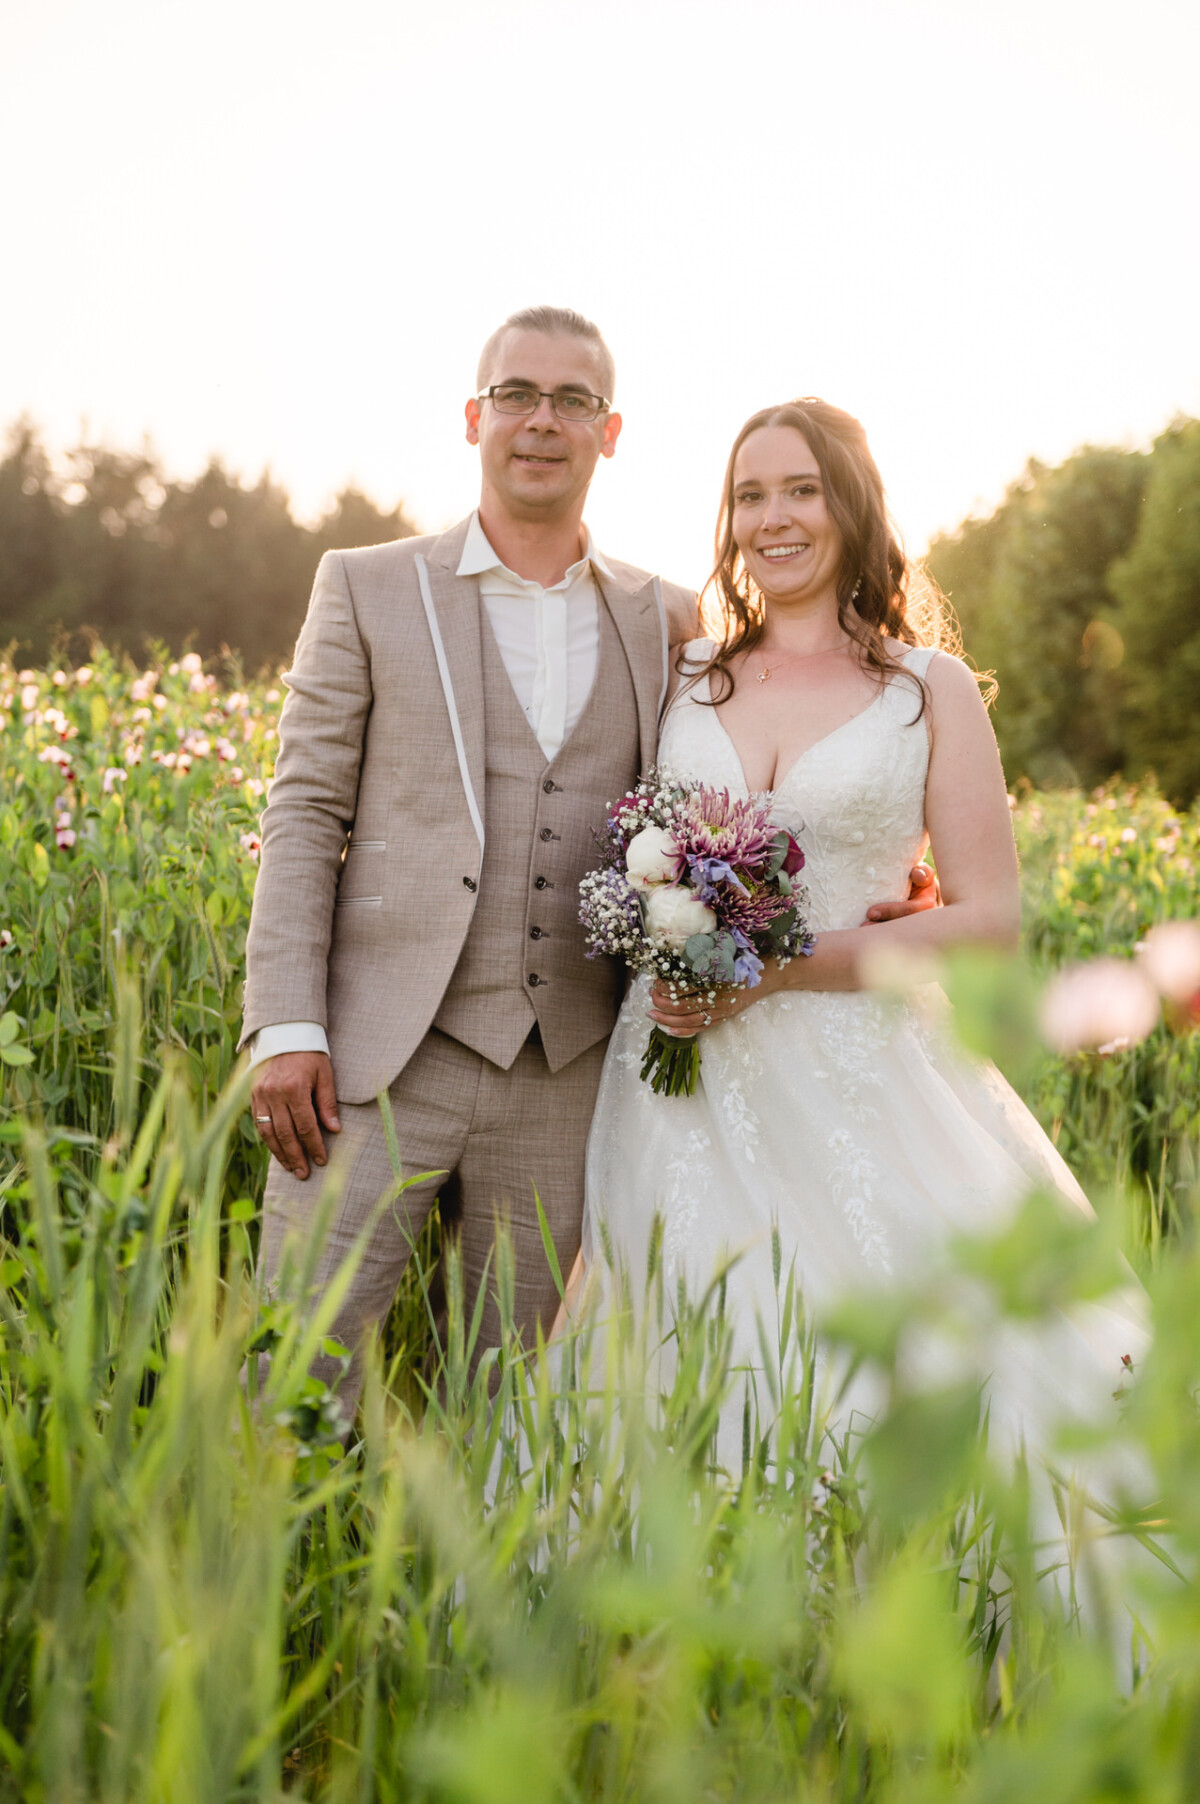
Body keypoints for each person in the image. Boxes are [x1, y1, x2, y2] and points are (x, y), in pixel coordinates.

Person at [241, 328, 935, 1426]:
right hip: (373, 1064)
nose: (542, 420)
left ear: (610, 436)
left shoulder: (670, 624)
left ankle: (448, 1594)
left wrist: (893, 886)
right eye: (515, 393)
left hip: (570, 1077)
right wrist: (285, 1027)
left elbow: (748, 797)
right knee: (289, 1381)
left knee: (510, 1411)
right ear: (474, 416)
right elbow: (304, 806)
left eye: (574, 401)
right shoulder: (368, 587)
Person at [577, 397, 1149, 1477]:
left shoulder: (925, 691)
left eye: (801, 488)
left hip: (870, 1078)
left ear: (852, 504)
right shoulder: (685, 675)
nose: (772, 517)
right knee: (682, 1361)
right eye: (750, 494)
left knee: (899, 1371)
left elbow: (990, 921)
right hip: (678, 1086)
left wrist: (775, 966)